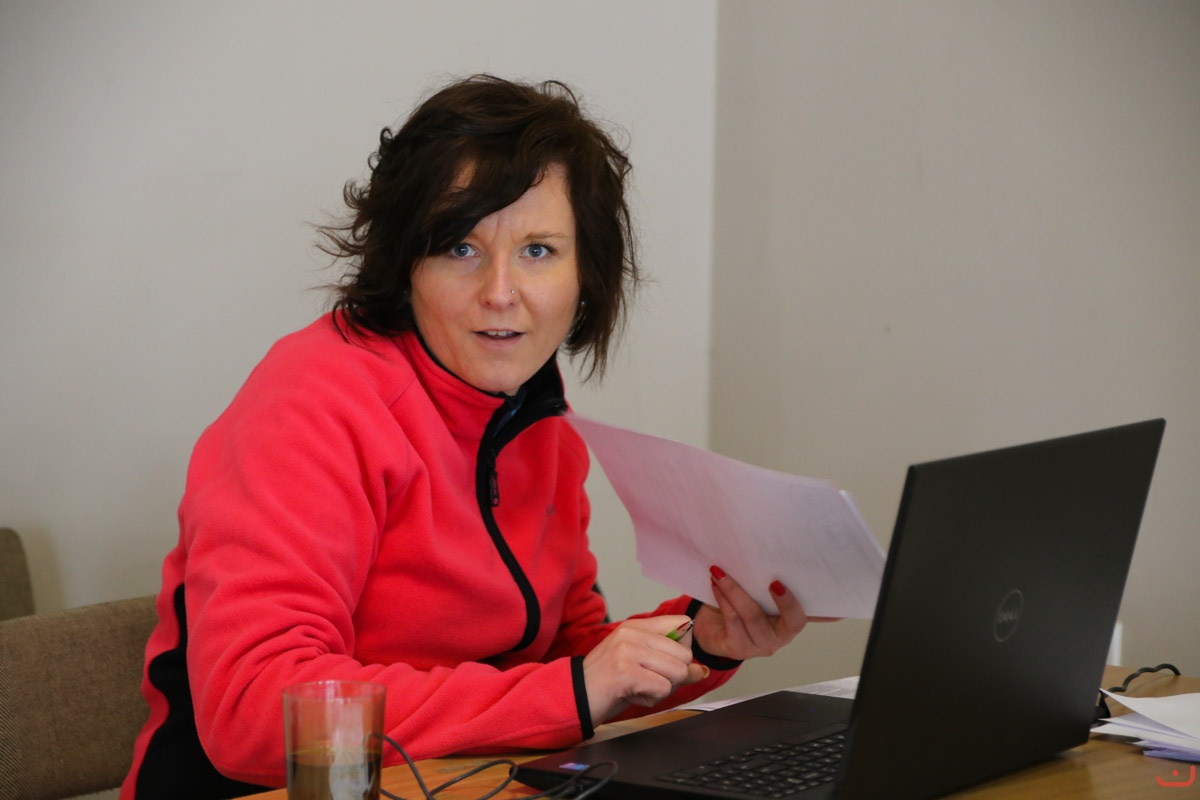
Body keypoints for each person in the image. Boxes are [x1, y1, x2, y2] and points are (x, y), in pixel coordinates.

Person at [121, 74, 824, 799]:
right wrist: (574, 689)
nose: (500, 292)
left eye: (539, 250)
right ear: (405, 263)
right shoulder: (311, 400)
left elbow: (570, 661)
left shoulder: (539, 423)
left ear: (587, 273)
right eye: (460, 247)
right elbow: (257, 709)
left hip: (457, 785)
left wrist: (701, 638)